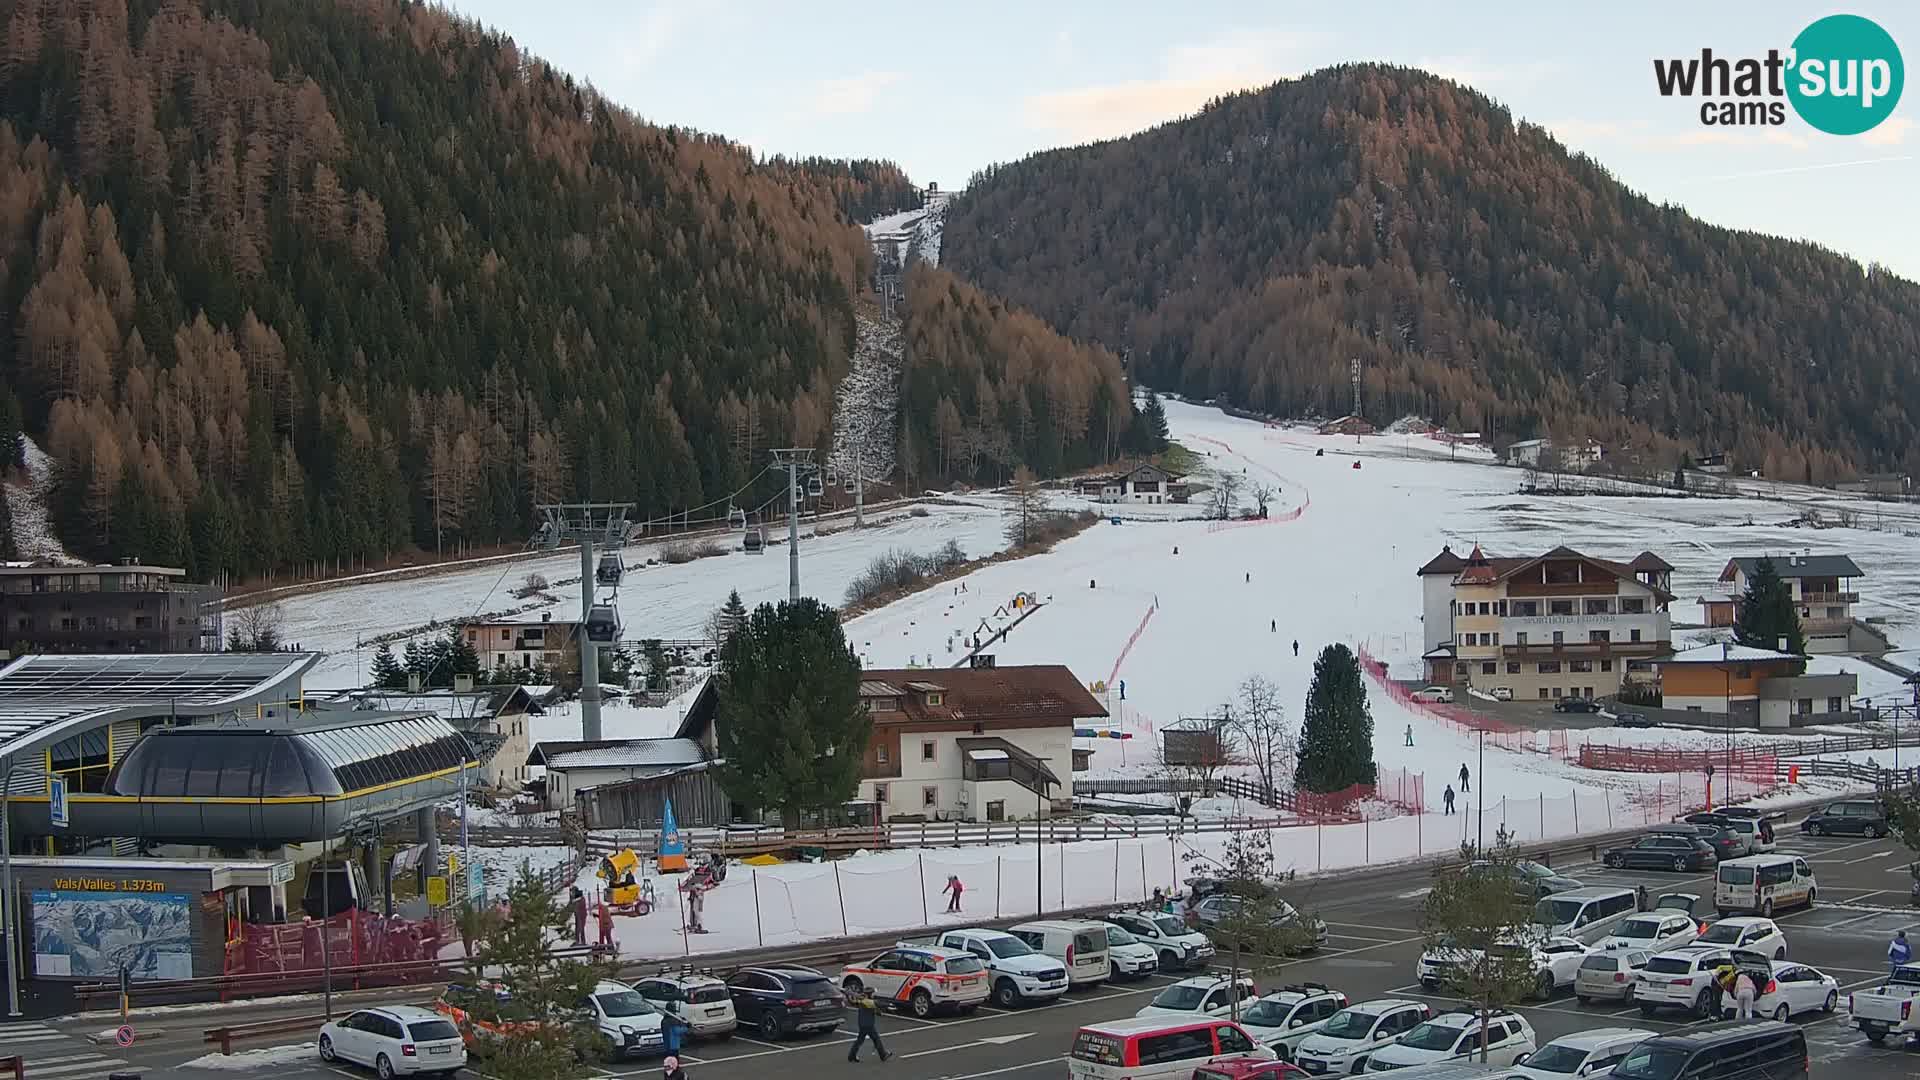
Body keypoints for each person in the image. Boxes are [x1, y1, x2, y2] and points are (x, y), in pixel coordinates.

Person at [847, 985, 889, 1062]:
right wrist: (888, 1005)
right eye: (872, 993)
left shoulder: (863, 1001)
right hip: (868, 1024)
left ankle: (851, 1056)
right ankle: (883, 1055)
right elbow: (878, 1004)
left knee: (859, 1040)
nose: (874, 994)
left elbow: (874, 1009)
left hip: (863, 1024)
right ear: (869, 994)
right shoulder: (868, 1002)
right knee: (876, 1039)